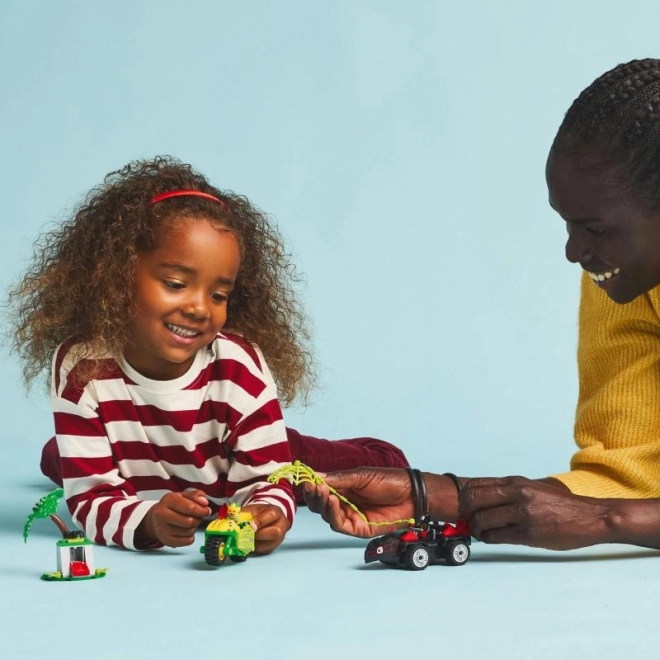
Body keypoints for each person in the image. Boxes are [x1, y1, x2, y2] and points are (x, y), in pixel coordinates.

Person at [304, 57, 660, 552]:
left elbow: (612, 511)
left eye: (595, 230)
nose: (573, 252)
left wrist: (605, 522)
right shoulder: (623, 274)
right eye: (567, 223)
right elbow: (632, 472)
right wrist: (441, 495)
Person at [9, 157, 409, 553]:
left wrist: (270, 511)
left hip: (237, 449)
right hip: (154, 455)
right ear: (118, 275)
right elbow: (91, 500)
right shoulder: (84, 367)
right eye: (176, 283)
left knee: (369, 467)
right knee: (56, 456)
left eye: (218, 295)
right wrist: (149, 521)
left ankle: (350, 457)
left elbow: (267, 486)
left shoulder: (238, 369)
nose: (200, 308)